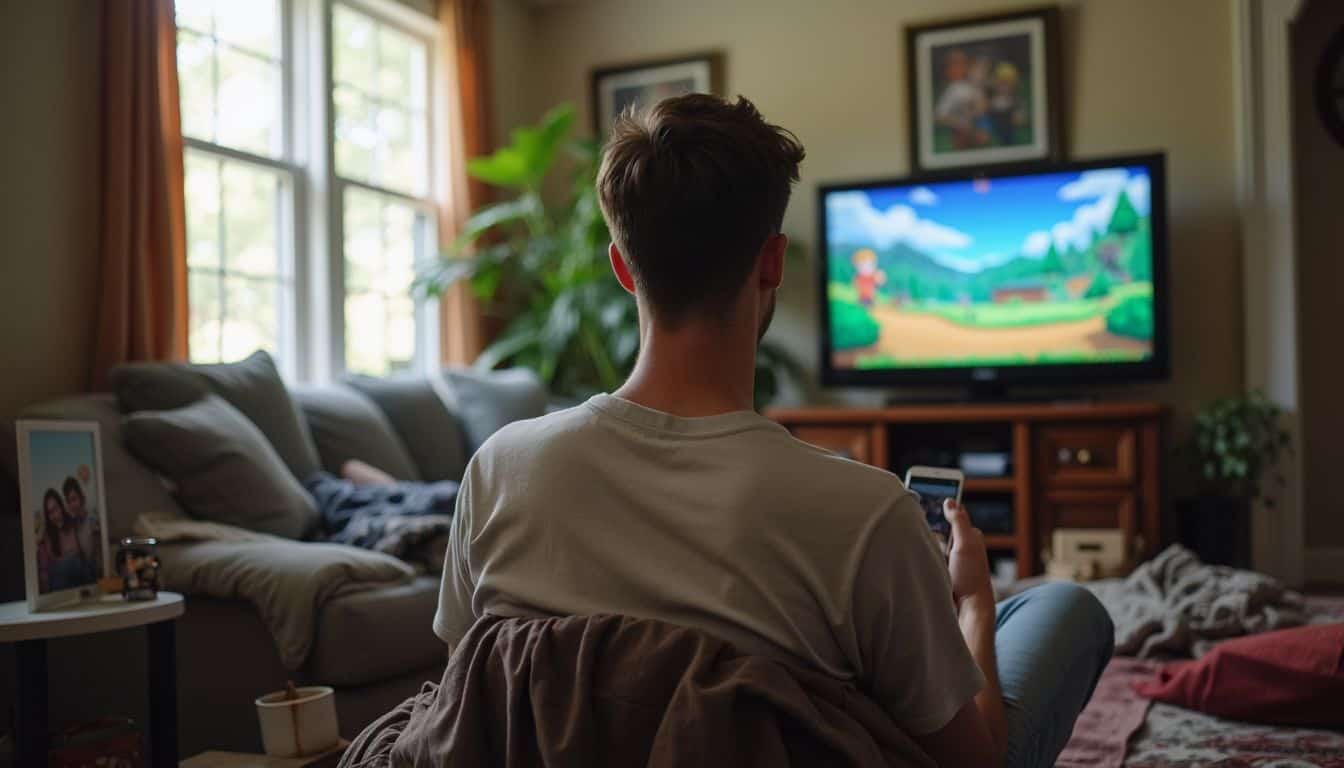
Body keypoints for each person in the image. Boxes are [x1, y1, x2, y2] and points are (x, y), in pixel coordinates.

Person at [435, 94, 1114, 768]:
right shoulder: (869, 513)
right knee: (1064, 606)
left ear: (620, 266)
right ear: (772, 264)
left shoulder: (498, 468)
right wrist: (969, 605)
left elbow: (470, 693)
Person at [37, 488, 91, 592]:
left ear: (61, 506)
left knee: (81, 564)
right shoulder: (46, 535)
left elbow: (81, 553)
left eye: (56, 508)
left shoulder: (72, 524)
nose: (55, 515)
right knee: (68, 563)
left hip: (78, 576)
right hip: (58, 582)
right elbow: (44, 570)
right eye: (50, 512)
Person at [63, 476, 102, 579]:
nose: (71, 505)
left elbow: (98, 556)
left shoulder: (93, 520)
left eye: (74, 499)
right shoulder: (72, 525)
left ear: (82, 498)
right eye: (68, 501)